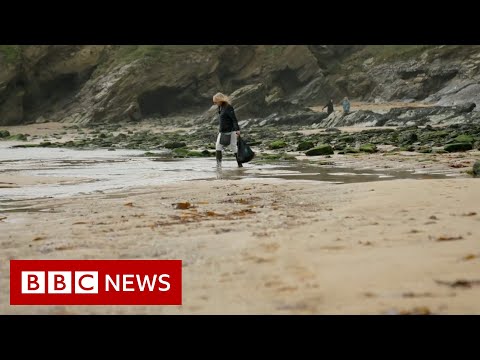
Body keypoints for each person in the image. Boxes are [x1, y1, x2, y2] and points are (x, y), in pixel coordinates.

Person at [212, 92, 242, 168]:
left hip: (231, 130)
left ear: (220, 100)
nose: (215, 103)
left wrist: (237, 129)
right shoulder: (220, 107)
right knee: (218, 146)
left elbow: (234, 119)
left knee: (233, 147)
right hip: (222, 131)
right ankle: (218, 165)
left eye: (215, 102)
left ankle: (240, 164)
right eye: (214, 102)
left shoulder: (228, 107)